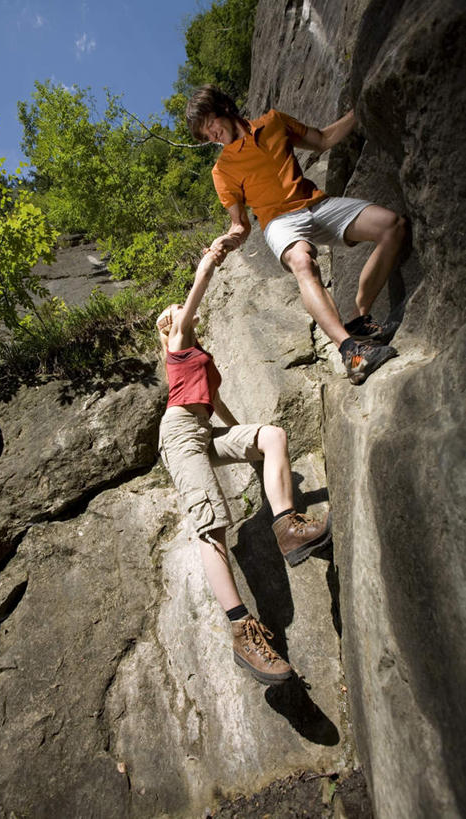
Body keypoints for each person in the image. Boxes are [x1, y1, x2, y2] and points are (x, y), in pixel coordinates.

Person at [157, 235, 331, 685]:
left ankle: (288, 528)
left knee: (272, 435)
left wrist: (248, 442)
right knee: (212, 522)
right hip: (179, 433)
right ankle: (241, 629)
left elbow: (216, 405)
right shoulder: (178, 343)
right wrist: (212, 257)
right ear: (170, 327)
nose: (181, 310)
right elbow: (198, 287)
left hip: (203, 429)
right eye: (175, 310)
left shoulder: (200, 357)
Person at [185, 85, 407, 385]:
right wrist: (227, 240)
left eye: (209, 124)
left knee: (393, 226)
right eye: (205, 135)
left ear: (222, 108)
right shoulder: (222, 171)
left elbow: (324, 139)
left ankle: (359, 320)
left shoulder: (274, 122)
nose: (211, 135)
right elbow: (240, 225)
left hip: (317, 205)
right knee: (303, 262)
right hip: (279, 223)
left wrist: (361, 105)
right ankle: (351, 354)